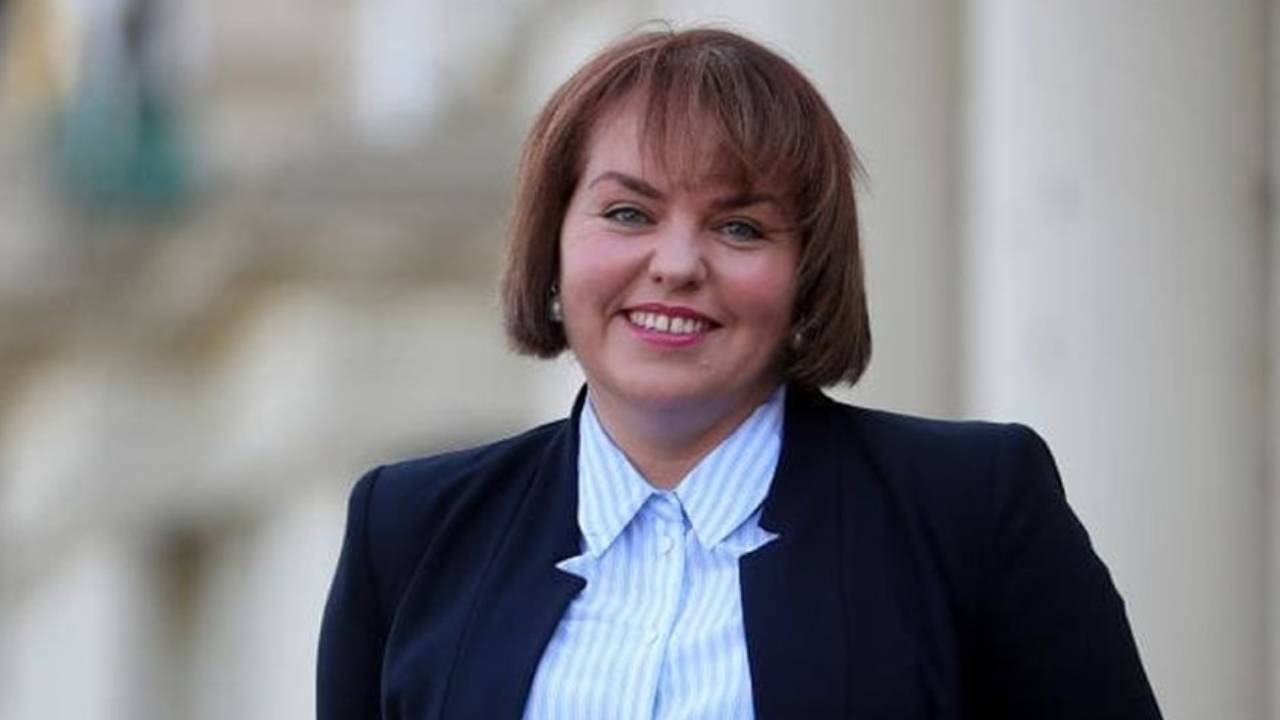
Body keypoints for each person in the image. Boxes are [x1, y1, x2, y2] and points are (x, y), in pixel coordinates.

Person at [317, 27, 1162, 720]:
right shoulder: (409, 528)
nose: (677, 264)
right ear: (553, 243)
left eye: (741, 228)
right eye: (628, 213)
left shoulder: (971, 508)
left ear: (807, 274)